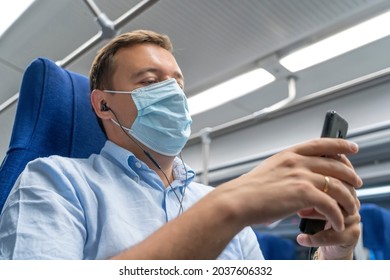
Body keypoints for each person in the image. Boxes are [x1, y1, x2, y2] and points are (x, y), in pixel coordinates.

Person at [0, 30, 362, 260]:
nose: (172, 94)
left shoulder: (209, 198)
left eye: (177, 84)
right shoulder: (56, 182)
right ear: (103, 103)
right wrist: (227, 208)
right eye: (150, 82)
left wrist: (334, 254)